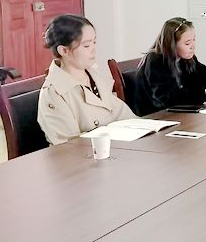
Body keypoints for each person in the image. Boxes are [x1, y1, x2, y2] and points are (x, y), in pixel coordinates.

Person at [38, 14, 136, 145]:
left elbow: (124, 116)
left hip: (116, 148)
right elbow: (68, 145)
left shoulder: (94, 76)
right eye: (86, 46)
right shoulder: (53, 92)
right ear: (64, 51)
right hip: (84, 155)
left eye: (94, 42)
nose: (93, 50)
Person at [135, 17, 206, 116]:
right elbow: (169, 98)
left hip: (181, 115)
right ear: (172, 44)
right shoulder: (155, 60)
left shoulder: (187, 58)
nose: (193, 46)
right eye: (187, 43)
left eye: (194, 40)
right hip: (157, 118)